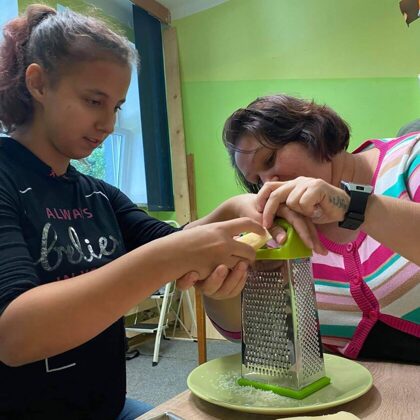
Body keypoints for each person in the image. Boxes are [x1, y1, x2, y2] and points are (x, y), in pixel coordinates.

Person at [0, 5, 265, 419]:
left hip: (107, 408)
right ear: (38, 84)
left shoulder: (97, 194)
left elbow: (174, 242)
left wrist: (236, 209)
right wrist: (175, 255)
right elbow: (15, 336)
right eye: (94, 101)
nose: (107, 124)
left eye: (116, 107)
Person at [201, 94, 420, 364]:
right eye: (257, 180)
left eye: (270, 160)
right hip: (361, 386)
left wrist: (353, 205)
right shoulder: (282, 227)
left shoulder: (410, 158)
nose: (269, 183)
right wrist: (221, 283)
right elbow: (238, 331)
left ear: (312, 133)